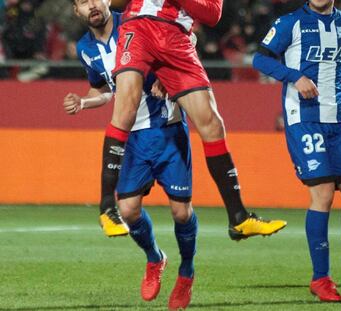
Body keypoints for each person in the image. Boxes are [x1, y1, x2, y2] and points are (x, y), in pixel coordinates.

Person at [107, 0, 287, 241]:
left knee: (212, 124)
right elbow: (116, 3)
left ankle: (239, 218)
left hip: (177, 37)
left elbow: (212, 14)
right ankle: (106, 207)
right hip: (139, 27)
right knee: (125, 111)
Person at [253, 0, 341, 303]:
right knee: (324, 192)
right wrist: (294, 76)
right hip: (304, 119)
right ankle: (321, 279)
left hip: (340, 120)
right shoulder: (291, 23)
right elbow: (260, 60)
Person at [64, 1, 197, 309]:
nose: (92, 5)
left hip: (168, 126)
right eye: (83, 2)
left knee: (181, 213)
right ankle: (155, 258)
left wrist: (172, 71)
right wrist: (84, 102)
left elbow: (188, 37)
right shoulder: (85, 48)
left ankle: (186, 271)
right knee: (128, 210)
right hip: (131, 137)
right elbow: (106, 90)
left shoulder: (137, 19)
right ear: (77, 12)